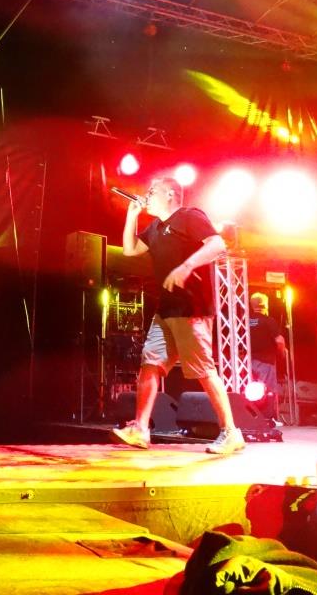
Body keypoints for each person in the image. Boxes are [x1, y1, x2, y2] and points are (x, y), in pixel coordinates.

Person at [111, 176, 244, 455]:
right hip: (166, 309)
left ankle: (231, 432)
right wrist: (131, 216)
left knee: (203, 369)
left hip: (190, 307)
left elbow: (217, 245)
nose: (147, 195)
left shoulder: (189, 216)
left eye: (152, 191)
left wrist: (186, 267)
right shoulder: (155, 228)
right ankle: (140, 429)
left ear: (170, 194)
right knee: (150, 363)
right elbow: (129, 250)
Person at [249, 292, 288, 397]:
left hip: (248, 363)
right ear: (265, 305)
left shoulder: (244, 322)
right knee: (268, 394)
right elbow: (280, 341)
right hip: (266, 363)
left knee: (250, 395)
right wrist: (282, 354)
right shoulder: (268, 321)